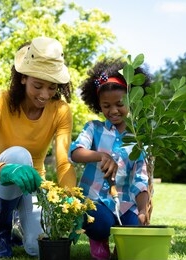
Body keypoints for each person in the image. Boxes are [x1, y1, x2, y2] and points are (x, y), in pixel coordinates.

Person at [0, 36, 77, 258]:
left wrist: (71, 198)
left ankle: (19, 227)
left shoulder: (61, 111)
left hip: (33, 184)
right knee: (19, 154)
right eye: (38, 85)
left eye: (52, 87)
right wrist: (5, 169)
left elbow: (63, 162)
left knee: (36, 247)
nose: (45, 95)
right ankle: (1, 229)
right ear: (23, 78)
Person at [69, 58, 151, 260]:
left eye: (119, 104)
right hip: (95, 200)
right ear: (98, 105)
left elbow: (141, 180)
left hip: (125, 203)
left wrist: (142, 210)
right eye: (106, 106)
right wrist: (100, 155)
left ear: (132, 100)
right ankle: (98, 239)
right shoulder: (93, 128)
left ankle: (120, 249)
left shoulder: (138, 138)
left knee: (135, 228)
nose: (113, 110)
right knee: (101, 225)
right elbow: (75, 152)